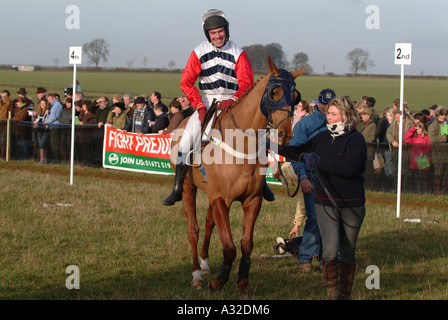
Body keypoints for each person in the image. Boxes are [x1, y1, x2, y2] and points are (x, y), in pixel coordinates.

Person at [164, 9, 261, 206]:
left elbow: (247, 82)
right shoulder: (198, 52)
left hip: (234, 102)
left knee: (258, 136)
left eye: (220, 32)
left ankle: (262, 183)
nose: (217, 36)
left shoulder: (238, 53)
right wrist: (198, 105)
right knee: (185, 142)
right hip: (206, 101)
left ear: (226, 31)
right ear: (208, 35)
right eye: (213, 33)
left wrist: (233, 99)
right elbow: (186, 82)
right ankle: (177, 187)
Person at [275, 96, 367, 300]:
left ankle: (345, 294)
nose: (329, 118)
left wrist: (319, 161)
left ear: (347, 115)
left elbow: (350, 168)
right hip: (325, 203)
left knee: (348, 251)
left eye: (334, 114)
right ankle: (332, 293)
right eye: (328, 114)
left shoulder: (356, 140)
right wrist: (272, 147)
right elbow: (299, 150)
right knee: (330, 251)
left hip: (351, 206)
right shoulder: (323, 137)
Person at [287, 88, 336, 274]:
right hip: (312, 176)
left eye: (329, 105)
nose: (325, 108)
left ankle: (328, 259)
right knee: (314, 218)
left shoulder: (339, 124)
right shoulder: (305, 124)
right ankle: (305, 259)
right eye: (323, 103)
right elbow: (295, 154)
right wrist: (303, 177)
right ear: (318, 103)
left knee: (331, 217)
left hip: (332, 177)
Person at [404, 122, 432, 194]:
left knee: (424, 177)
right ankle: (418, 192)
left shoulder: (426, 136)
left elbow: (428, 147)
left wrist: (424, 153)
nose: (418, 131)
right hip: (415, 159)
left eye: (420, 129)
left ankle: (425, 192)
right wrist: (413, 129)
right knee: (416, 177)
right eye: (417, 129)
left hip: (423, 158)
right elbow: (406, 139)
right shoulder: (414, 137)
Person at [427, 106, 448, 194]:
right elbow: (432, 138)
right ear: (437, 115)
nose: (443, 116)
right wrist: (443, 138)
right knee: (438, 173)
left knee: (446, 174)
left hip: (446, 153)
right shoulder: (433, 125)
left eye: (445, 115)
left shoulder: (446, 124)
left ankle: (443, 192)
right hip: (437, 153)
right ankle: (436, 191)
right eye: (441, 115)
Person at [45, 93, 63, 163]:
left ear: (54, 98)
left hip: (55, 127)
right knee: (53, 144)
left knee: (55, 144)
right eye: (48, 99)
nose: (49, 101)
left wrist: (47, 121)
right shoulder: (53, 105)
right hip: (52, 126)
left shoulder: (56, 105)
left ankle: (56, 160)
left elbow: (54, 116)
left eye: (50, 99)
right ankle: (54, 159)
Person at [33, 98, 50, 163]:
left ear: (46, 104)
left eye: (44, 104)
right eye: (41, 104)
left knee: (43, 143)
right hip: (39, 129)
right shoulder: (39, 112)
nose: (42, 105)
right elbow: (38, 119)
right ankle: (42, 158)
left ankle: (44, 158)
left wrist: (46, 114)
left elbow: (46, 119)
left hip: (45, 129)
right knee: (41, 143)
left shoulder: (48, 112)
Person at [58, 98, 74, 162]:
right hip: (63, 129)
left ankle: (69, 160)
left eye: (69, 103)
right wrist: (65, 120)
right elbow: (59, 118)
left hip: (69, 131)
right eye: (66, 103)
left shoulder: (73, 111)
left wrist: (64, 119)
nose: (67, 104)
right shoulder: (64, 110)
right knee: (63, 145)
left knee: (69, 145)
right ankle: (64, 159)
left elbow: (69, 120)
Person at [0, 90, 13, 158]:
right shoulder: (0, 103)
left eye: (4, 97)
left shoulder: (7, 105)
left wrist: (6, 96)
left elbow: (8, 103)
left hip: (4, 125)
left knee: (3, 141)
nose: (3, 98)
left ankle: (3, 156)